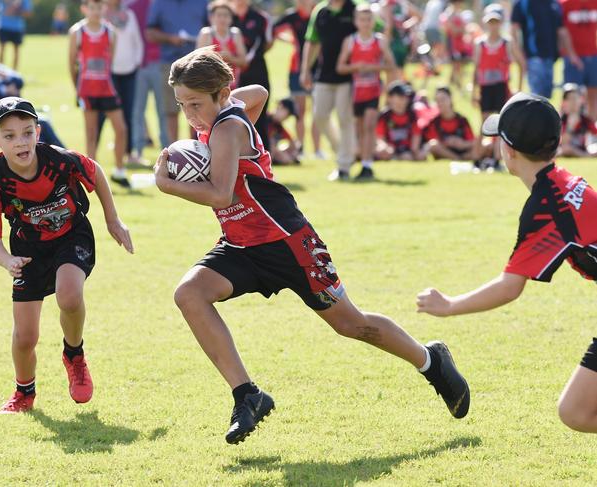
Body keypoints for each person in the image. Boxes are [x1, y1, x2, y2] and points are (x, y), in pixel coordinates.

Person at [153, 47, 470, 444]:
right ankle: (247, 395)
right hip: (241, 243)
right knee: (190, 294)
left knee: (352, 325)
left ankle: (430, 360)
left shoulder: (228, 128)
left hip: (289, 245)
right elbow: (261, 93)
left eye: (196, 104)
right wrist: (228, 101)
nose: (190, 116)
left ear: (220, 92)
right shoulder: (222, 114)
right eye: (182, 106)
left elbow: (219, 194)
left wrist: (168, 184)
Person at [417, 92, 597, 434]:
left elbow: (509, 287)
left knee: (576, 411)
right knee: (575, 409)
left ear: (509, 150)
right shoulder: (562, 180)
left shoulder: (547, 207)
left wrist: (450, 305)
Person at [0, 97, 133, 413]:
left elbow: (96, 171)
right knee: (25, 336)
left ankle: (74, 355)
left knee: (69, 294)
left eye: (26, 132)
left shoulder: (60, 161)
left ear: (38, 131)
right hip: (27, 251)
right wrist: (8, 260)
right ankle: (24, 393)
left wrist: (112, 219)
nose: (20, 141)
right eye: (9, 136)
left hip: (71, 236)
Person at [69, 0, 129, 188]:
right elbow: (72, 63)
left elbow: (109, 60)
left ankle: (119, 170)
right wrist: (77, 89)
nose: (96, 11)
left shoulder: (110, 32)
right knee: (91, 133)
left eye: (99, 7)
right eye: (92, 7)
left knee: (121, 129)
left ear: (104, 8)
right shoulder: (77, 32)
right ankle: (91, 174)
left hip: (107, 89)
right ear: (84, 9)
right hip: (87, 90)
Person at [337, 3, 395, 180]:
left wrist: (374, 67)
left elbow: (391, 65)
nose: (366, 23)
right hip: (355, 92)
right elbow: (340, 67)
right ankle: (362, 162)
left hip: (373, 90)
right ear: (356, 21)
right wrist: (355, 67)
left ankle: (368, 164)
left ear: (373, 21)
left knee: (370, 126)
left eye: (369, 19)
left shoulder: (379, 41)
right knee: (360, 128)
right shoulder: (350, 41)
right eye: (362, 19)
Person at [300, 0, 357, 181]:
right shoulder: (321, 10)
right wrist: (305, 69)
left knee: (344, 118)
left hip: (349, 75)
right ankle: (343, 151)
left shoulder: (355, 7)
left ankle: (344, 166)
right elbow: (312, 41)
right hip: (323, 74)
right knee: (319, 116)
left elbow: (375, 28)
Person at [274, 0, 330, 159]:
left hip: (319, 68)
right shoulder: (291, 16)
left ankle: (318, 149)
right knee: (300, 111)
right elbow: (274, 30)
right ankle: (301, 148)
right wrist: (289, 41)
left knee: (317, 111)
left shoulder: (320, 13)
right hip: (297, 69)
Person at [146, 0, 207, 142]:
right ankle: (175, 152)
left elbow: (210, 27)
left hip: (198, 63)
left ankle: (199, 148)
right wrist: (170, 38)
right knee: (171, 110)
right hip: (170, 63)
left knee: (199, 107)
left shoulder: (202, 2)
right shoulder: (159, 3)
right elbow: (150, 33)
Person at [472, 5, 525, 169]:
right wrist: (474, 92)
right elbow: (476, 69)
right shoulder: (480, 43)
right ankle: (477, 156)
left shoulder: (507, 42)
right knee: (483, 122)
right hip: (486, 87)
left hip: (501, 86)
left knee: (501, 123)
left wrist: (518, 87)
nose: (493, 26)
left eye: (496, 22)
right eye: (490, 22)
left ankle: (496, 158)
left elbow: (521, 64)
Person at [98, 0, 143, 163]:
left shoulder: (129, 15)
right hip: (108, 74)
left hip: (129, 72)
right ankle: (92, 154)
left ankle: (128, 153)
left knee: (128, 113)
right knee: (101, 114)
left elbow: (138, 42)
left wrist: (136, 63)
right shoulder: (100, 16)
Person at [125, 0, 168, 165]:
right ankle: (138, 151)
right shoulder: (131, 8)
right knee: (138, 110)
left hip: (160, 62)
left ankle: (166, 150)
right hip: (138, 65)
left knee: (162, 110)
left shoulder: (162, 5)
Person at [511, 0, 579, 99]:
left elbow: (561, 30)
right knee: (536, 97)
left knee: (546, 98)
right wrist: (520, 58)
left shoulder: (554, 4)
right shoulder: (523, 3)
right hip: (533, 58)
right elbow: (514, 32)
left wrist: (571, 54)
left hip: (550, 58)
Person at [230, 0, 273, 150]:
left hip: (257, 71)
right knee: (232, 114)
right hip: (231, 74)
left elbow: (267, 43)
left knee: (259, 114)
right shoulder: (226, 15)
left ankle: (263, 154)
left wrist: (245, 59)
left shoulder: (261, 18)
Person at [560, 0, 597, 121]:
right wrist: (571, 55)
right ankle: (567, 130)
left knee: (593, 95)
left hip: (593, 55)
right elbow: (562, 31)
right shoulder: (565, 4)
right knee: (571, 96)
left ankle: (591, 130)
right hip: (572, 59)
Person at [196, 0, 247, 89]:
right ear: (211, 18)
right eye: (219, 15)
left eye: (226, 15)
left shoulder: (235, 34)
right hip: (210, 86)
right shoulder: (206, 34)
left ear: (231, 18)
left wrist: (230, 58)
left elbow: (244, 62)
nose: (222, 19)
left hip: (232, 86)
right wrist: (218, 57)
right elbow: (197, 62)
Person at [376, 80, 424, 161]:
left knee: (407, 156)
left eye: (406, 97)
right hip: (389, 149)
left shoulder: (412, 115)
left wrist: (415, 152)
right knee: (381, 151)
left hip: (406, 150)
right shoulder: (385, 116)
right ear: (390, 98)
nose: (405, 99)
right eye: (401, 96)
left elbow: (416, 137)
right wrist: (385, 147)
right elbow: (380, 138)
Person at [423, 86, 475, 160]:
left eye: (443, 99)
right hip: (445, 151)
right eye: (437, 100)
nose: (440, 103)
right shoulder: (434, 122)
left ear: (450, 99)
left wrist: (462, 144)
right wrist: (447, 143)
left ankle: (461, 157)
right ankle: (457, 158)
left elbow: (472, 142)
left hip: (463, 151)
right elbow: (431, 143)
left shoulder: (462, 120)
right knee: (433, 145)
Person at [381, 0, 422, 82]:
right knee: (400, 73)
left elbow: (389, 26)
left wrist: (384, 45)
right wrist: (405, 25)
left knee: (391, 76)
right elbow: (419, 16)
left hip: (393, 44)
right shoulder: (403, 3)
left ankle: (395, 93)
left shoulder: (386, 4)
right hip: (402, 44)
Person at [0, 0, 33, 71]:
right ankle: (0, 71)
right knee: (1, 49)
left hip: (17, 27)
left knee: (16, 50)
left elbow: (28, 13)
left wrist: (15, 11)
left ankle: (14, 72)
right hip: (3, 26)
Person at [559, 83, 597, 157]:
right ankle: (586, 156)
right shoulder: (561, 120)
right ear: (564, 102)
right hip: (565, 149)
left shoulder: (585, 120)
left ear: (581, 100)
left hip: (582, 149)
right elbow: (563, 143)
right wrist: (570, 127)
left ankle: (585, 155)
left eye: (576, 98)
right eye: (570, 99)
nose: (573, 102)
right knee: (566, 149)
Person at [440, 0, 471, 91]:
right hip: (453, 45)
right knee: (456, 64)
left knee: (458, 64)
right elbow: (453, 31)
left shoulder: (458, 14)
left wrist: (461, 30)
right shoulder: (449, 14)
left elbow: (463, 29)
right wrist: (460, 29)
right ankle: (458, 84)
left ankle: (454, 83)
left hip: (460, 44)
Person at [267, 97, 300, 165]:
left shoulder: (278, 127)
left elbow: (293, 143)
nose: (287, 118)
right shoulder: (264, 119)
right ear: (281, 106)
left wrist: (292, 153)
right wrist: (279, 154)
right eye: (288, 114)